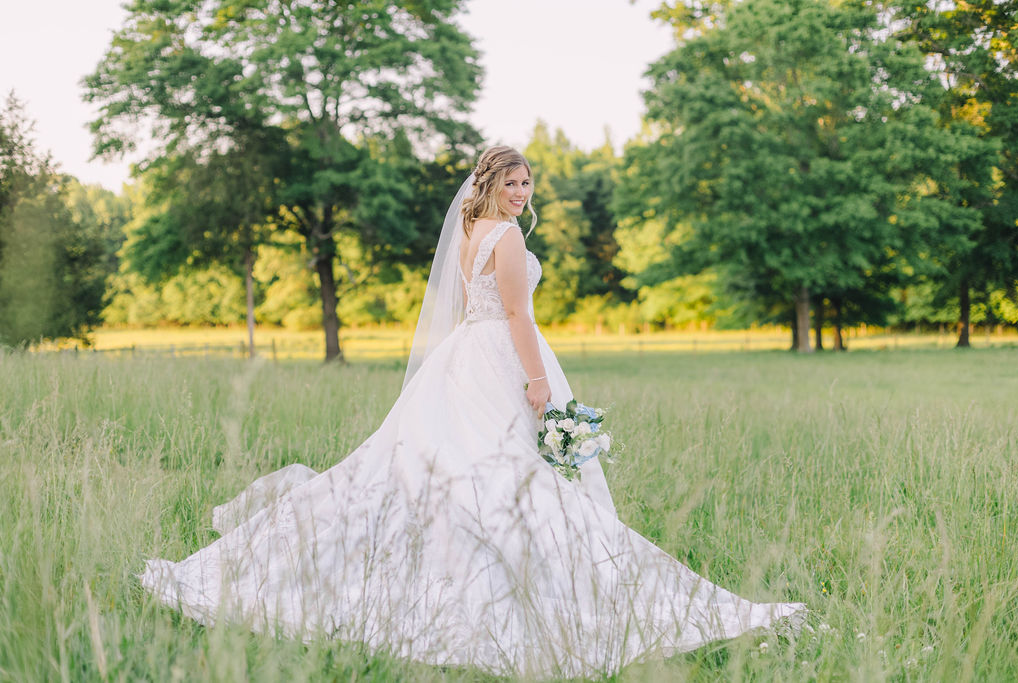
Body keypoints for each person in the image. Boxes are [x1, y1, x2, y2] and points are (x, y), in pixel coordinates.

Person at [140, 145, 805, 677]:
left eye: (528, 185)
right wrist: (538, 380)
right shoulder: (507, 237)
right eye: (514, 184)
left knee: (456, 470)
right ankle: (543, 587)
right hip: (499, 358)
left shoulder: (470, 229)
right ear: (490, 184)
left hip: (463, 356)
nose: (523, 195)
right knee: (507, 474)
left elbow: (467, 308)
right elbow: (517, 313)